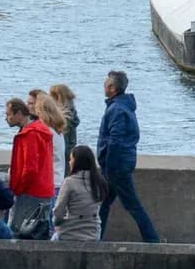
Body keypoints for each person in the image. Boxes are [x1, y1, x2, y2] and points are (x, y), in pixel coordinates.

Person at [96, 69, 160, 242]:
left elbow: (115, 141)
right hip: (120, 165)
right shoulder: (123, 107)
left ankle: (152, 241)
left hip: (116, 168)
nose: (103, 85)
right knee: (103, 204)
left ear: (112, 89)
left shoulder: (116, 110)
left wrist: (109, 168)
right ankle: (96, 238)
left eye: (106, 84)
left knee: (132, 205)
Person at [6, 96, 55, 239]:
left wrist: (17, 189)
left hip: (29, 192)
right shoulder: (42, 130)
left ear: (19, 114)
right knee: (38, 231)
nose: (6, 118)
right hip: (44, 190)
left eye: (9, 114)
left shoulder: (29, 135)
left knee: (18, 231)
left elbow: (30, 169)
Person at [53, 144, 107, 242]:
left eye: (71, 159)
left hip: (70, 232)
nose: (69, 162)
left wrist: (56, 223)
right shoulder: (100, 181)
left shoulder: (69, 182)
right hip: (93, 233)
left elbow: (58, 211)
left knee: (52, 241)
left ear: (76, 162)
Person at [29, 88, 69, 179]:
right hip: (58, 178)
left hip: (48, 180)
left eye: (32, 104)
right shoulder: (57, 130)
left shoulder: (44, 132)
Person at [49, 83, 81, 162]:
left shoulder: (64, 119)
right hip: (67, 156)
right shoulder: (71, 114)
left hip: (61, 159)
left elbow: (62, 144)